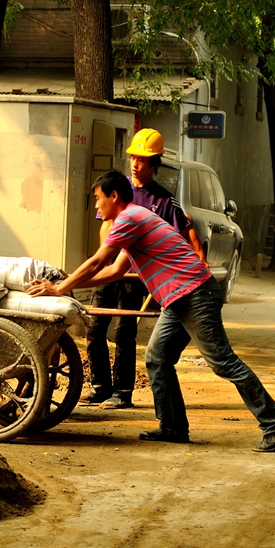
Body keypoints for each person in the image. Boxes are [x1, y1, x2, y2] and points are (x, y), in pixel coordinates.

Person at [27, 170, 275, 452]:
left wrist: (59, 289)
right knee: (157, 357)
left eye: (97, 199)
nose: (95, 206)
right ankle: (172, 426)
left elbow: (97, 262)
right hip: (179, 298)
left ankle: (274, 421)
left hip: (194, 294)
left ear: (113, 196)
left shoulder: (128, 218)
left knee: (222, 361)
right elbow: (115, 270)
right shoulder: (135, 218)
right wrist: (67, 283)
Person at [83, 128, 206, 410]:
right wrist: (108, 259)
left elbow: (186, 232)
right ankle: (99, 386)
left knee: (124, 332)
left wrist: (198, 260)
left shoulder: (163, 200)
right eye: (133, 159)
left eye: (143, 160)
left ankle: (122, 391)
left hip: (135, 275)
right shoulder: (117, 189)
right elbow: (106, 225)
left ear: (154, 164)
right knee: (95, 326)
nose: (136, 164)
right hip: (112, 268)